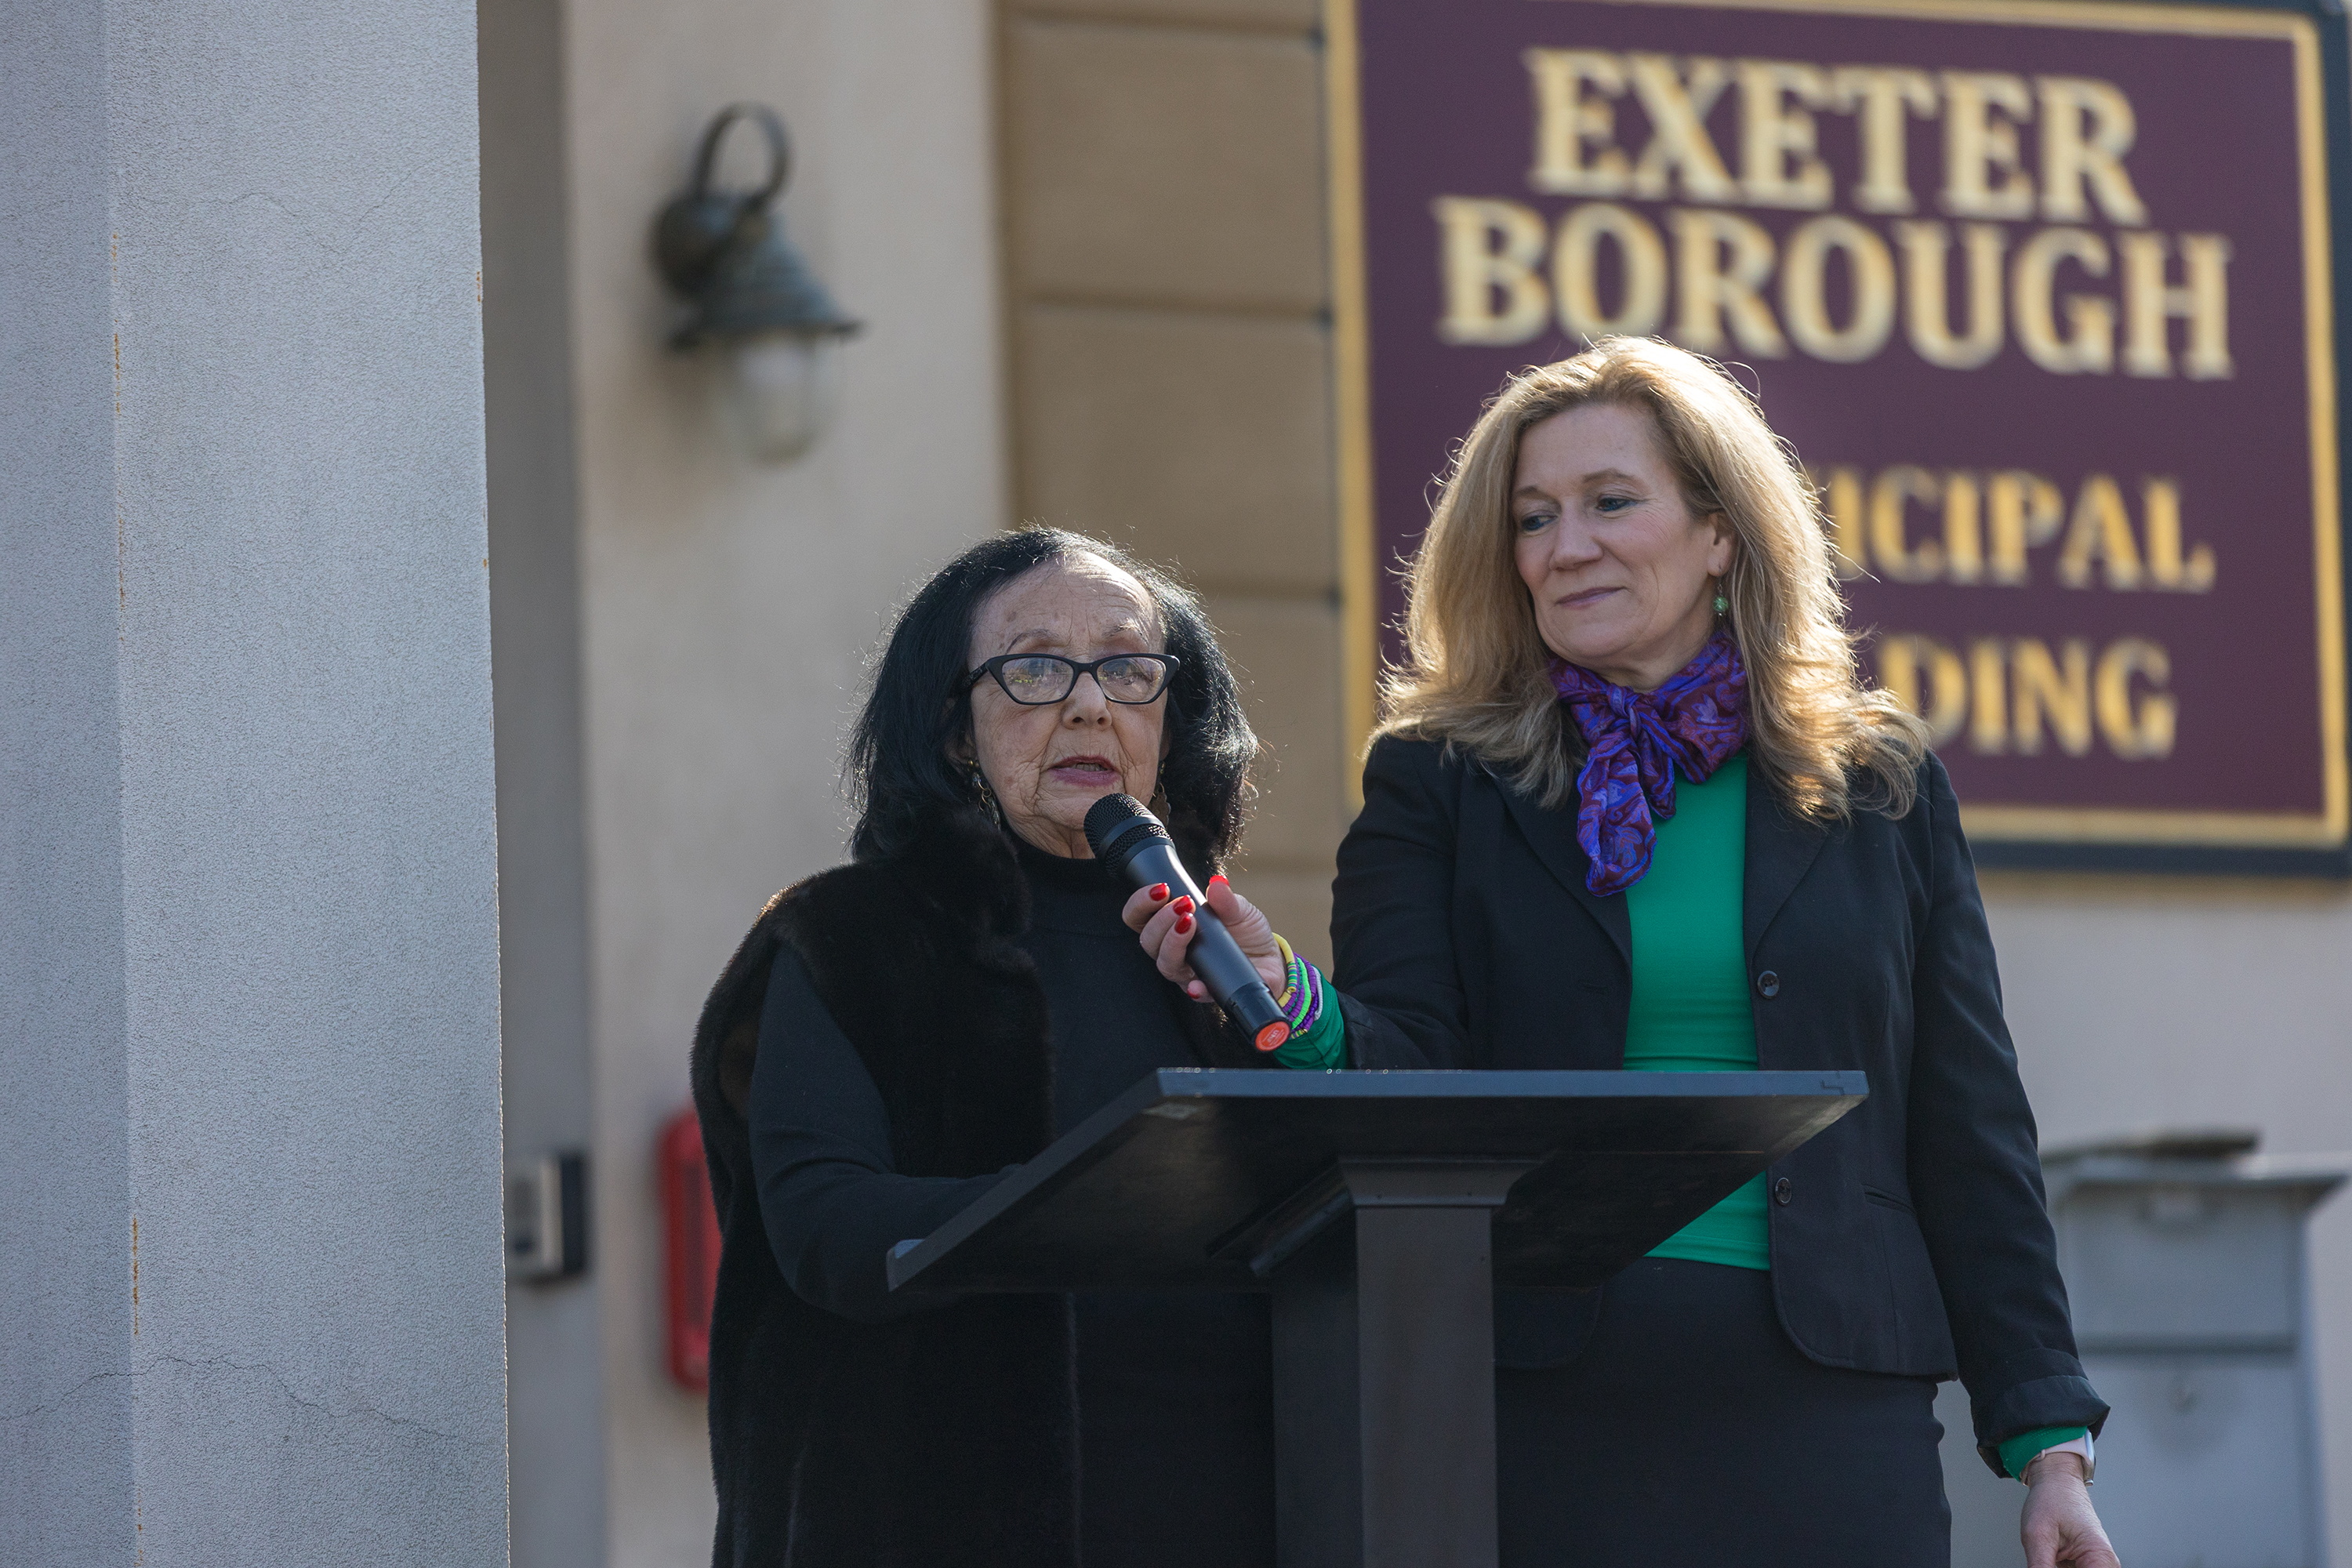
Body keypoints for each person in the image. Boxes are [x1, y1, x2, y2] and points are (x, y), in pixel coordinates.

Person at [1330, 339, 2121, 1568]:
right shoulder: (1436, 779)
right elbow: (1401, 1063)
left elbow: (1969, 1127)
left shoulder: (1877, 781)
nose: (1565, 544)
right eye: (1534, 518)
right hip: (1537, 1389)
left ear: (1720, 533)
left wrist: (2048, 1440)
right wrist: (1283, 1006)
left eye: (1610, 501)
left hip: (1831, 1399)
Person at [688, 527, 1421, 1568]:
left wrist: (1285, 1016)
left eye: (1129, 668)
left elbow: (1394, 1190)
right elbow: (826, 1228)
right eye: (1035, 669)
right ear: (954, 730)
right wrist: (1098, 1198)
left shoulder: (1213, 957)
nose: (1090, 703)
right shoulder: (853, 941)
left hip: (1235, 1518)